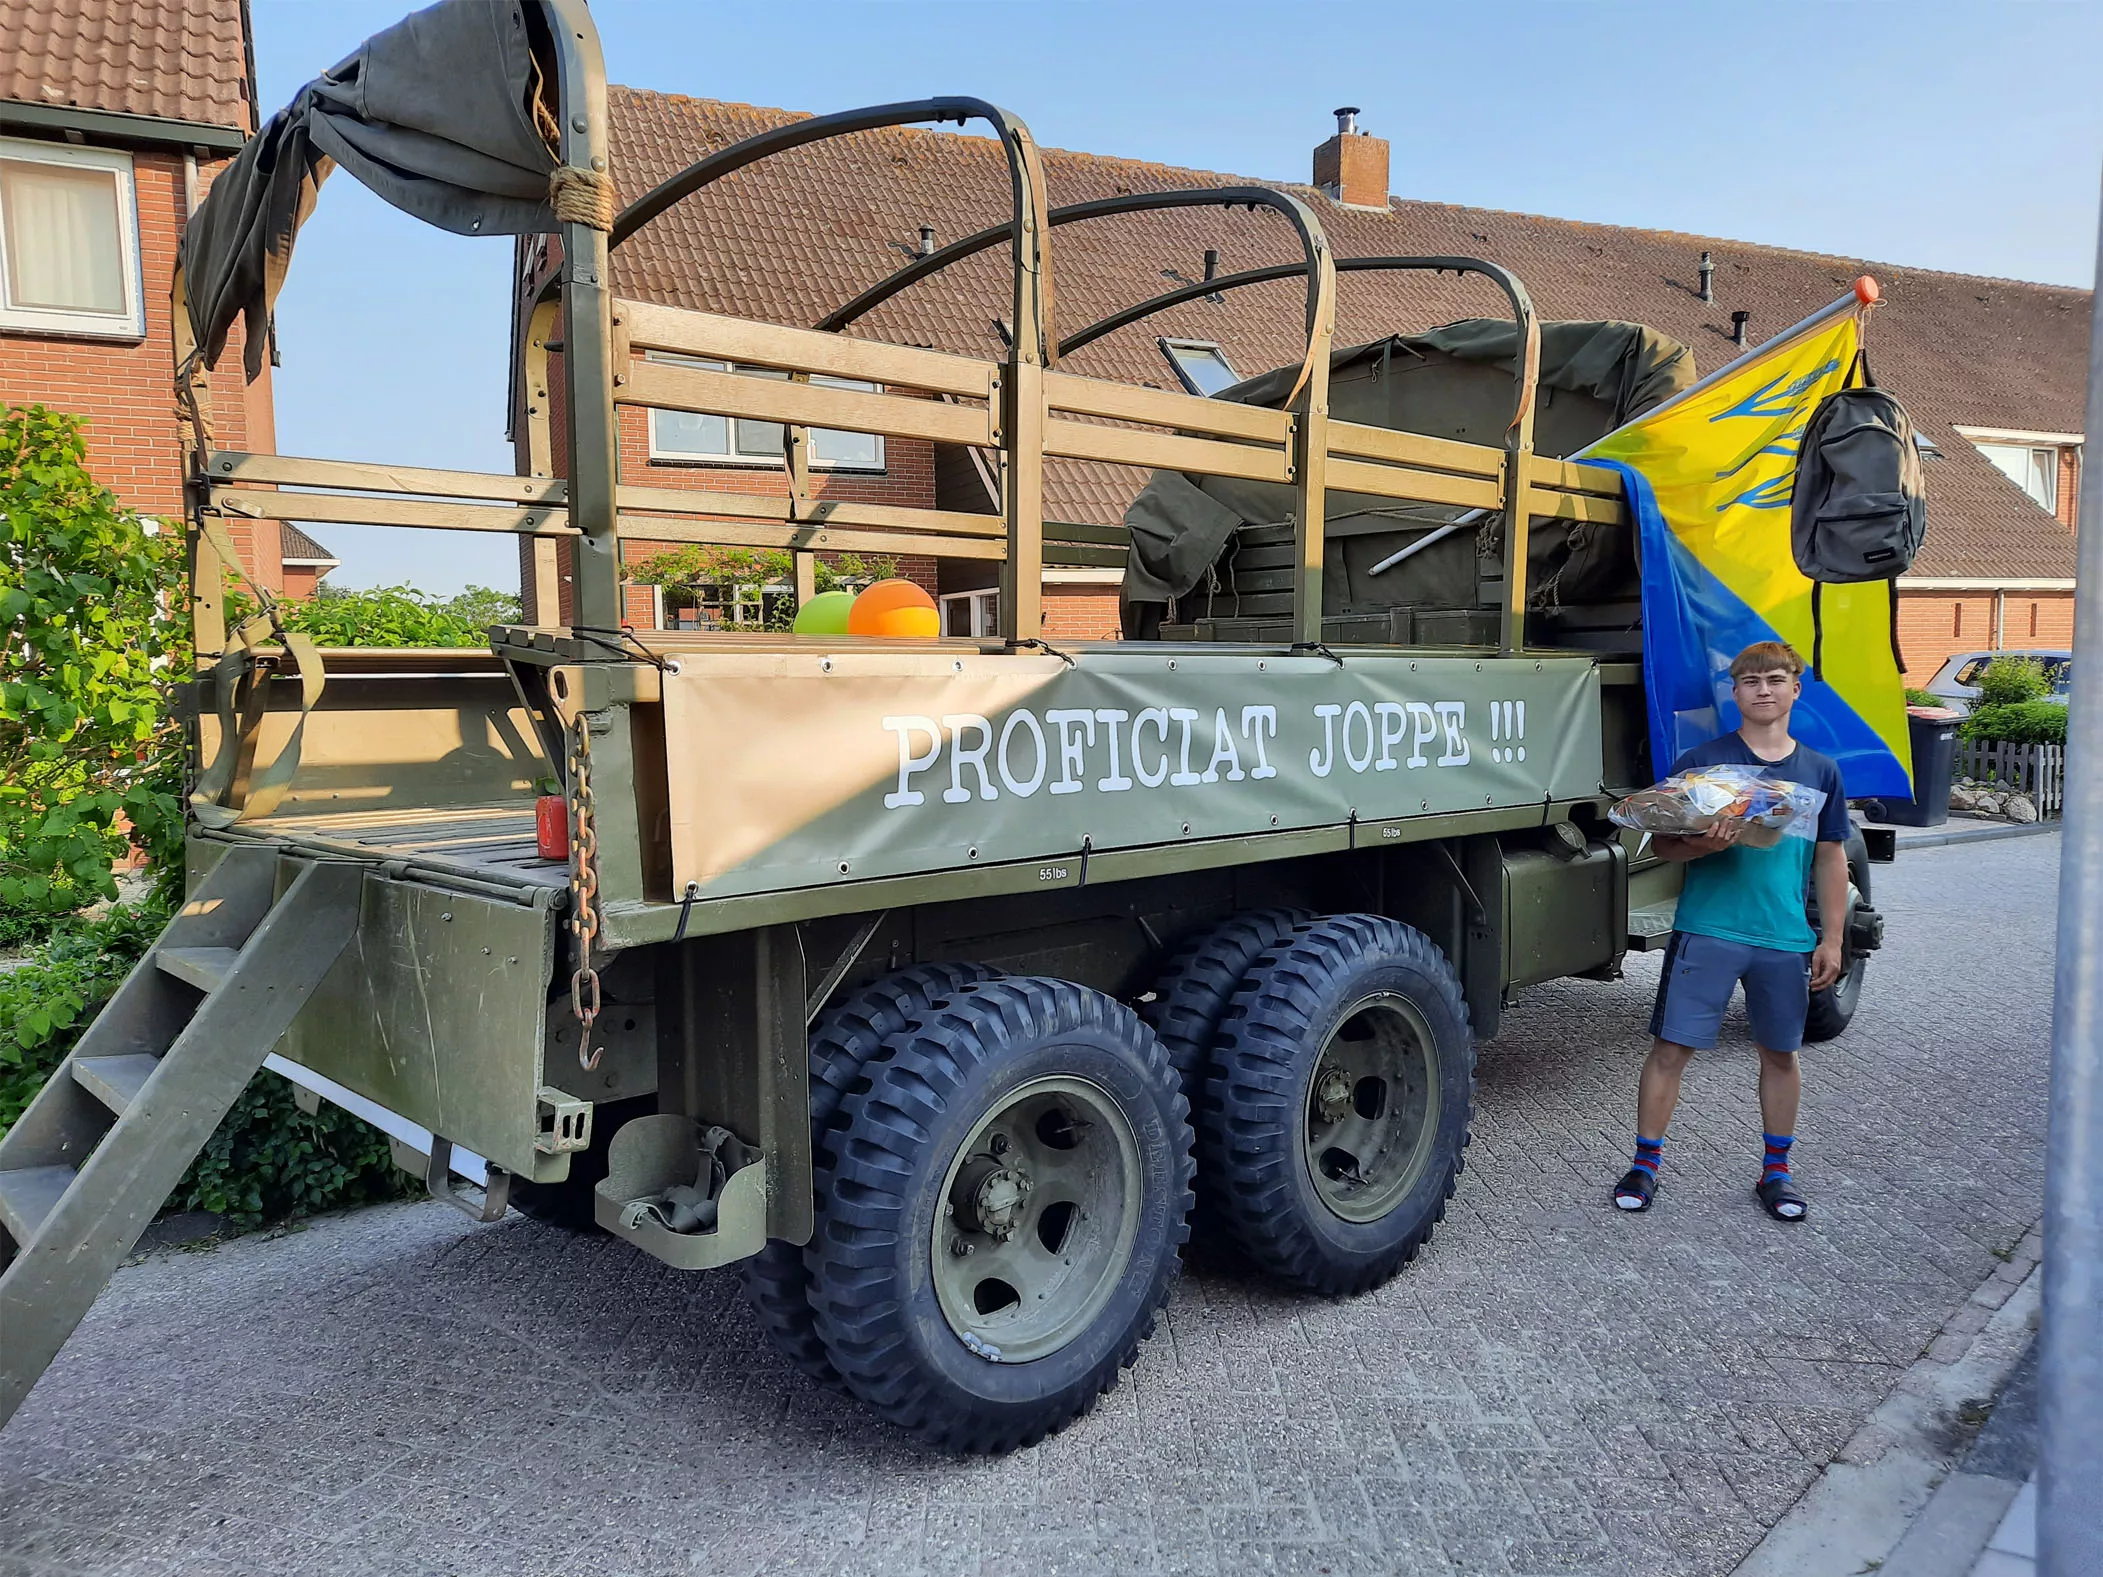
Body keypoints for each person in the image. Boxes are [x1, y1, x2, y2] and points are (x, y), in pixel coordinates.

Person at [1614, 640, 1852, 1222]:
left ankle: (1777, 1171)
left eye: (1775, 679)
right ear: (1735, 692)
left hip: (1784, 938)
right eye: (1750, 681)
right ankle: (1645, 1164)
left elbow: (1830, 858)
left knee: (1781, 1054)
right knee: (1671, 1048)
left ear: (1796, 689)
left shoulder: (1820, 771)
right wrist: (1702, 840)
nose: (1763, 689)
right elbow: (1664, 845)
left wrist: (1833, 939)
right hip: (1708, 929)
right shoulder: (1703, 764)